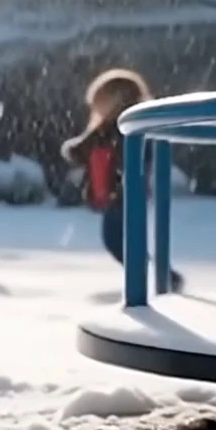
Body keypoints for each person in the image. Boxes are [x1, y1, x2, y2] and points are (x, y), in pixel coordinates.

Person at [61, 67, 184, 292]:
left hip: (126, 191)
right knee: (125, 241)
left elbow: (140, 156)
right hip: (117, 191)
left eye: (99, 103)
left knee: (118, 240)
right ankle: (162, 277)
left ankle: (157, 280)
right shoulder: (108, 128)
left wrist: (123, 181)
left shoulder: (131, 124)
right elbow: (81, 149)